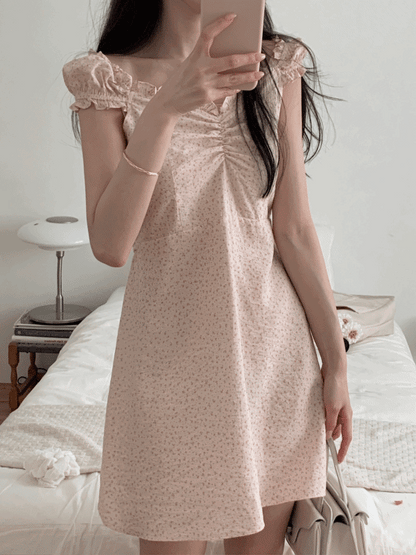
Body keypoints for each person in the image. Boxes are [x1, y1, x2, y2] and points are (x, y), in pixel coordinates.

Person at [62, 1, 353, 554]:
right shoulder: (107, 79)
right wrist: (166, 108)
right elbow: (111, 245)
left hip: (275, 362)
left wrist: (335, 363)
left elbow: (293, 228)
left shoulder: (277, 67)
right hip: (169, 369)